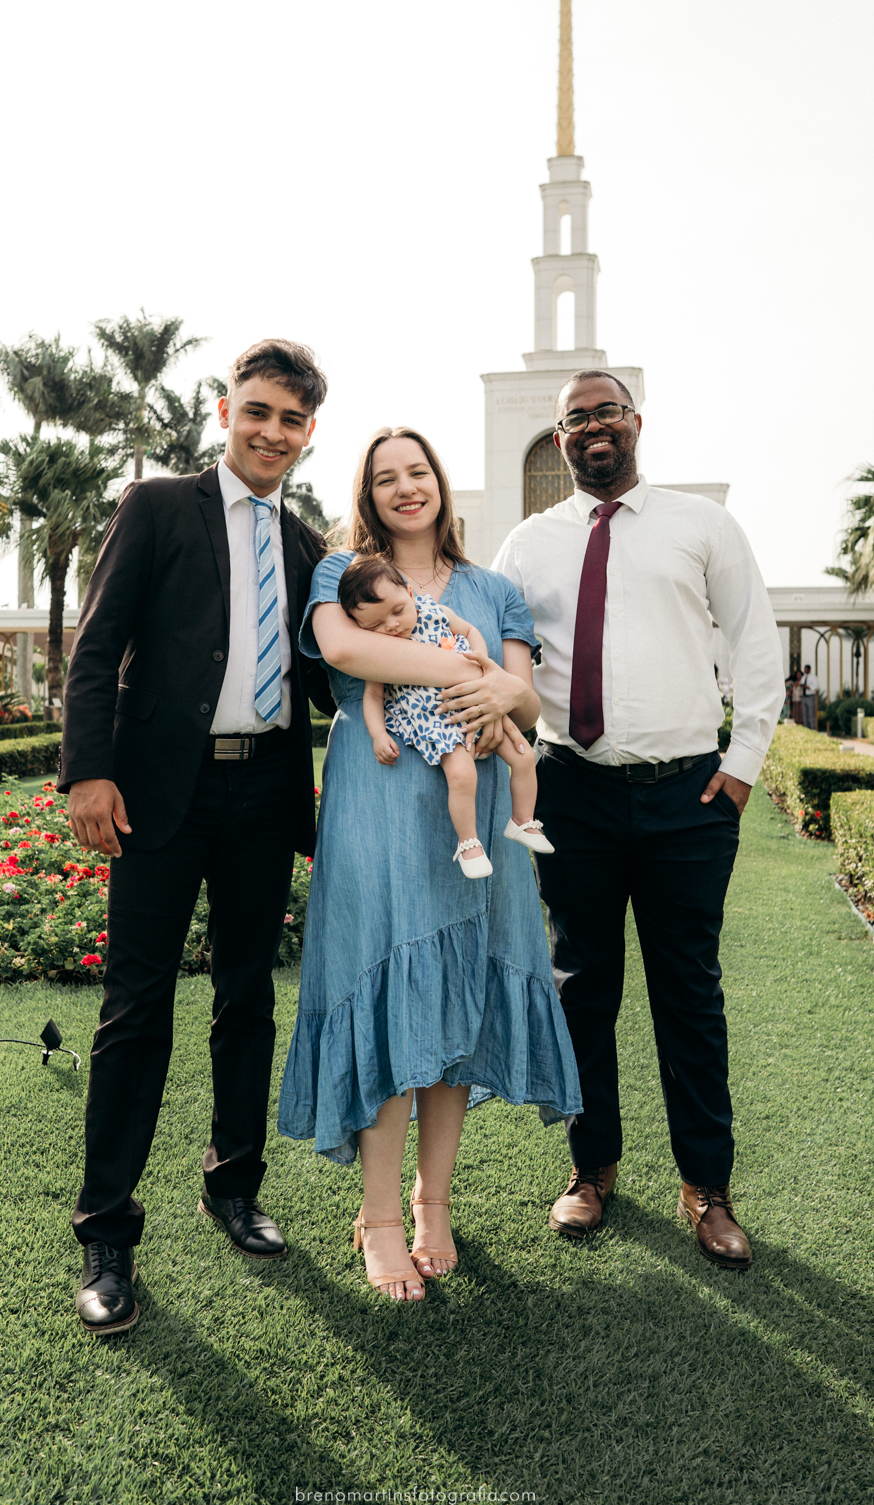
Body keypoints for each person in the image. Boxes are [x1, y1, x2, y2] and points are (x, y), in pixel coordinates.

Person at [58, 339, 334, 1335]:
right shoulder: (158, 506)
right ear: (226, 412)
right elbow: (94, 647)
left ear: (308, 435)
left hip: (264, 793)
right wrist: (89, 771)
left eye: (291, 420)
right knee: (135, 1009)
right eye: (257, 412)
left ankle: (234, 1188)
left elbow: (335, 672)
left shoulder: (308, 548)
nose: (271, 433)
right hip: (155, 794)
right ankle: (105, 1232)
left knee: (248, 998)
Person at [278, 428, 582, 1301]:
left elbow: (525, 691)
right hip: (378, 812)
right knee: (389, 997)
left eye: (418, 473)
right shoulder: (341, 574)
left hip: (475, 815)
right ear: (367, 493)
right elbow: (347, 653)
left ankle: (432, 1202)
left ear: (442, 485)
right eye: (386, 478)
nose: (405, 489)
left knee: (456, 1003)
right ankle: (375, 1217)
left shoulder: (494, 587)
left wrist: (505, 693)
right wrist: (471, 674)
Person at [492, 371, 784, 1269]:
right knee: (583, 989)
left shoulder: (702, 524)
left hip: (687, 798)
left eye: (606, 412)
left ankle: (708, 1187)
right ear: (560, 436)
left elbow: (756, 643)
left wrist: (738, 772)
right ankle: (592, 1168)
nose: (593, 428)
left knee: (688, 995)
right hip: (572, 791)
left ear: (635, 423)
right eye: (576, 418)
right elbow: (489, 656)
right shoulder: (527, 544)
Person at [338, 553, 553, 877]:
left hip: (476, 703)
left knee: (523, 756)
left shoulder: (434, 612)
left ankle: (522, 820)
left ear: (410, 593)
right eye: (376, 624)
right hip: (435, 718)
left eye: (397, 610)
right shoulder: (377, 648)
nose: (392, 625)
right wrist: (378, 734)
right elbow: (373, 695)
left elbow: (469, 629)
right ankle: (469, 844)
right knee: (462, 774)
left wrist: (481, 663)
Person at [801, 663, 818, 729]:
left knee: (811, 713)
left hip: (810, 696)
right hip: (804, 696)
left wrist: (809, 687)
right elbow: (801, 684)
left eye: (806, 669)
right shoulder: (804, 677)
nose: (805, 670)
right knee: (804, 713)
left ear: (809, 669)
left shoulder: (813, 677)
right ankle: (806, 727)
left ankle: (813, 727)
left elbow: (816, 686)